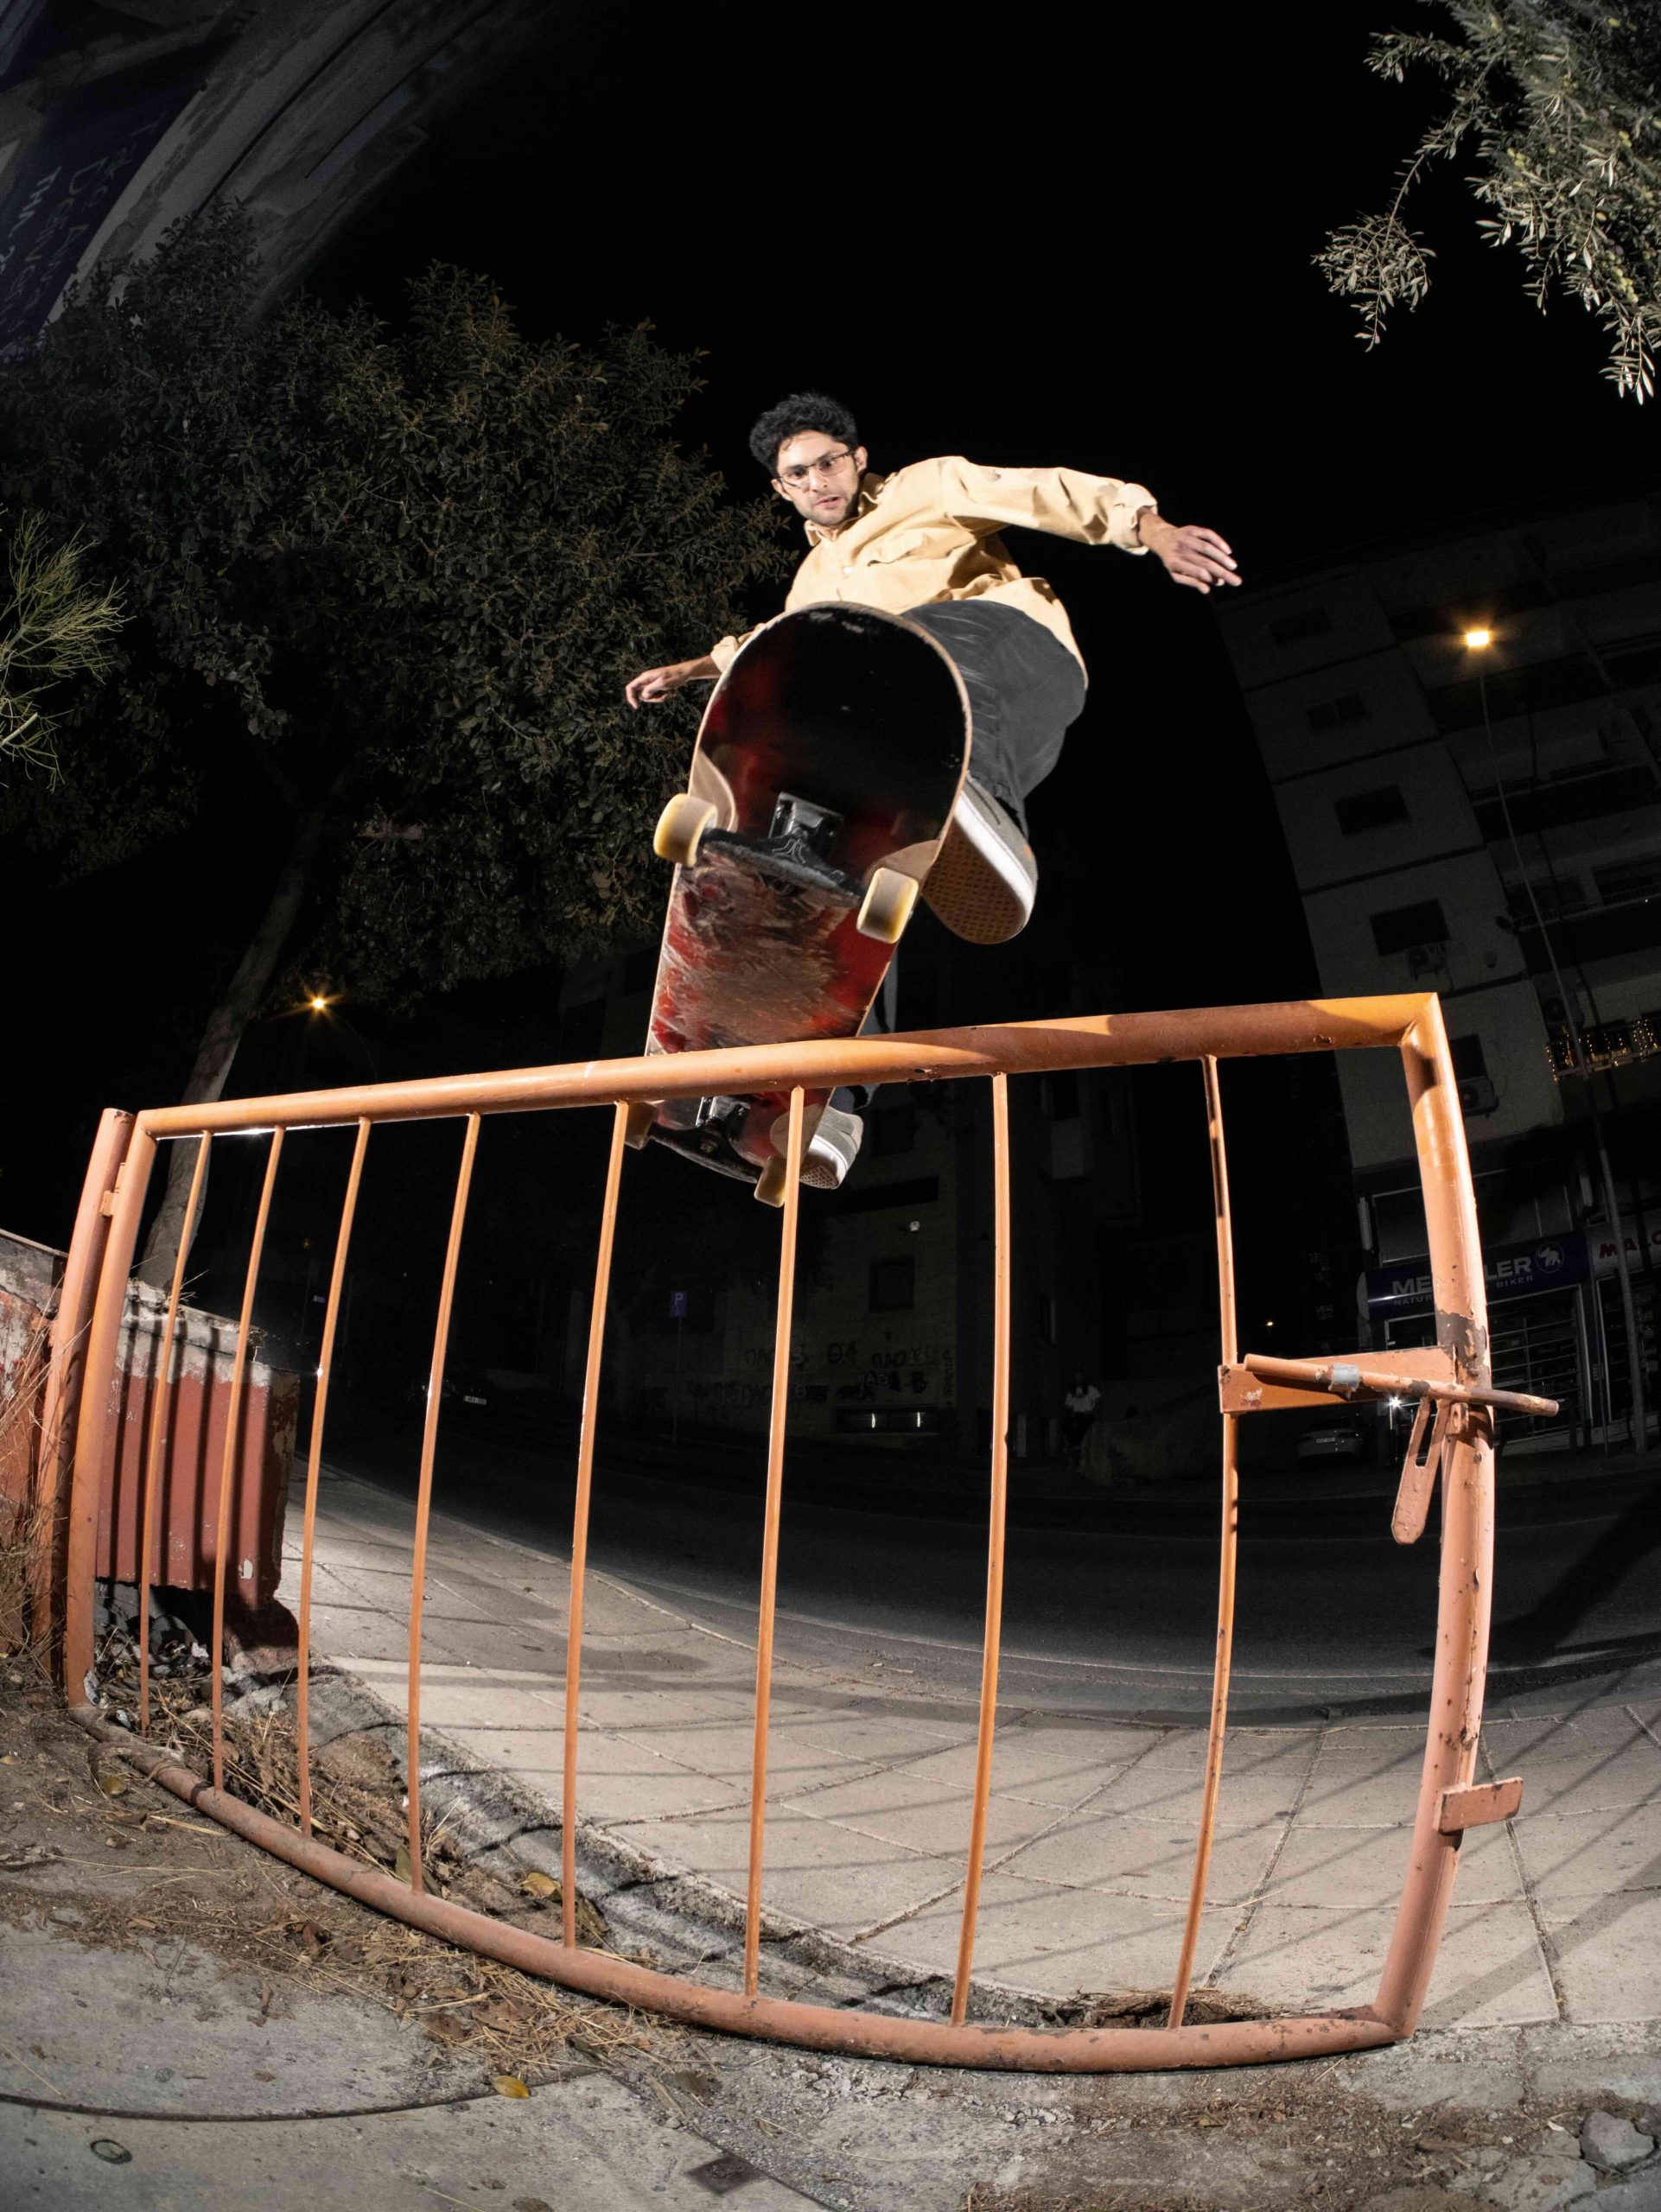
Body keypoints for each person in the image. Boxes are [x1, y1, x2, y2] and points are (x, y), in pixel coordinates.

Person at [626, 392, 1238, 1183]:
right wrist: (698, 669)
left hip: (1008, 664)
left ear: (858, 458)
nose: (818, 483)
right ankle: (807, 1097)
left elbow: (1050, 492)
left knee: (901, 648)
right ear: (782, 491)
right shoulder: (812, 579)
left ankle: (977, 804)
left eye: (828, 464)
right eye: (798, 476)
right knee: (833, 872)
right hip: (900, 742)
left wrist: (1152, 530)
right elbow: (767, 639)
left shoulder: (928, 486)